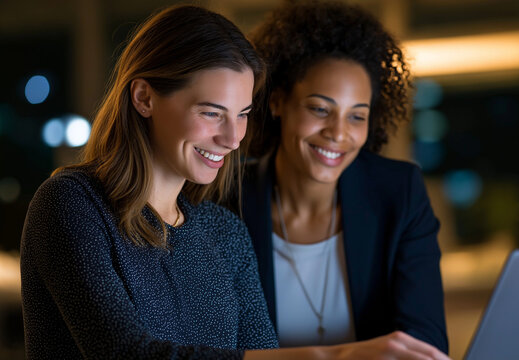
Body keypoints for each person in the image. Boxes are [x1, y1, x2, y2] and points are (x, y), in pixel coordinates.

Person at [21, 4, 449, 360]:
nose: (232, 139)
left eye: (242, 114)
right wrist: (334, 355)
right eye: (211, 112)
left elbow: (261, 353)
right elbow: (127, 355)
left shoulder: (224, 233)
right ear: (144, 98)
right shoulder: (71, 204)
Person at [241, 0, 449, 354]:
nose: (339, 133)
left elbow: (424, 344)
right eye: (320, 109)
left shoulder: (399, 194)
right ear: (277, 102)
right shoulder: (225, 200)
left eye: (357, 116)